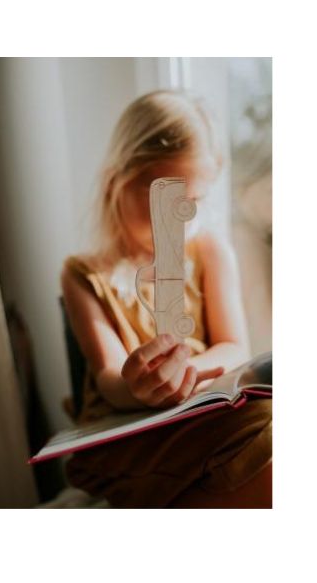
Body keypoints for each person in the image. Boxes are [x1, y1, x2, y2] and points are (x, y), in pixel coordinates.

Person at [60, 90, 272, 508]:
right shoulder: (83, 275)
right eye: (163, 198)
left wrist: (187, 374)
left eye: (190, 203)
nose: (175, 219)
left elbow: (234, 347)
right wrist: (139, 385)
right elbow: (109, 377)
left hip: (200, 418)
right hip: (128, 431)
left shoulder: (208, 251)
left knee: (268, 425)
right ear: (118, 178)